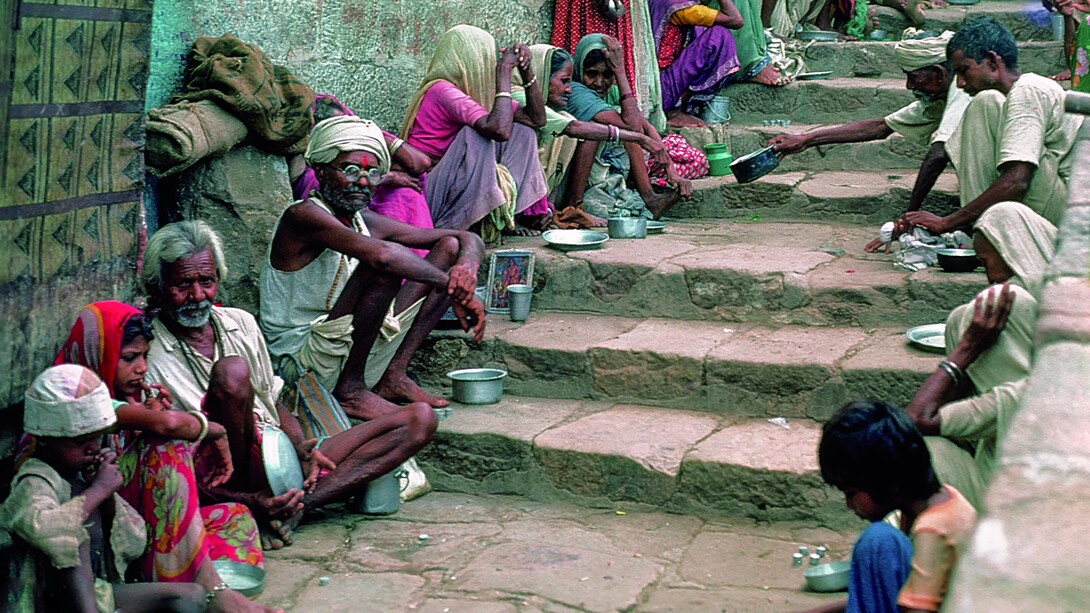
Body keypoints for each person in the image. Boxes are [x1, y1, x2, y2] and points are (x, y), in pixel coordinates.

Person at [140, 220, 437, 549]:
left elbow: (273, 399)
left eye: (206, 281)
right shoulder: (148, 353)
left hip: (276, 454)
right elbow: (169, 460)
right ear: (158, 286)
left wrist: (301, 447)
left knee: (420, 419)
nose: (197, 296)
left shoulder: (240, 323)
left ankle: (298, 507)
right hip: (222, 473)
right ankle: (259, 505)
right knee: (231, 373)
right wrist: (248, 499)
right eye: (182, 284)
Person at [261, 115, 487, 414]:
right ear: (321, 171)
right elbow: (384, 257)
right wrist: (454, 288)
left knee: (450, 249)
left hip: (347, 350)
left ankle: (393, 374)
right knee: (384, 267)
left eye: (373, 172)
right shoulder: (302, 216)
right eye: (350, 170)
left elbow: (463, 238)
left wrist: (467, 269)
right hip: (303, 366)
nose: (364, 182)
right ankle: (350, 392)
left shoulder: (362, 220)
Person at [53, 301, 270, 611]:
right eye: (129, 358)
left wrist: (148, 414)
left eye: (144, 356)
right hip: (102, 541)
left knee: (235, 516)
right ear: (98, 355)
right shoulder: (78, 398)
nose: (141, 367)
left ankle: (200, 582)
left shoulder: (123, 401)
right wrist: (212, 430)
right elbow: (168, 426)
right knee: (167, 445)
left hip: (138, 527)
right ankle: (208, 588)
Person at [0, 365, 260, 613]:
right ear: (45, 439)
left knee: (191, 597)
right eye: (80, 441)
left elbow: (134, 542)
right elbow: (46, 531)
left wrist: (107, 497)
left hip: (99, 592)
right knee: (74, 537)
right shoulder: (36, 478)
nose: (93, 447)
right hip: (51, 600)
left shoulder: (83, 476)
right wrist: (97, 491)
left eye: (97, 436)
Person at [906, 201, 1057, 510]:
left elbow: (917, 420)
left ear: (1015, 253)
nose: (989, 276)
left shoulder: (1015, 400)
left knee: (920, 453)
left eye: (987, 262)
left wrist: (966, 348)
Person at [769, 31, 972, 252]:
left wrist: (907, 218)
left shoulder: (962, 91)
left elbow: (938, 154)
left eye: (912, 77)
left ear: (938, 74)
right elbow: (881, 127)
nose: (909, 86)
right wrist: (806, 140)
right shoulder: (939, 99)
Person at [905, 17, 1084, 235]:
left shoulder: (1028, 90)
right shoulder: (1010, 96)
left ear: (991, 61)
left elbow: (1017, 181)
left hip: (1072, 212)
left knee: (985, 102)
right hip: (1064, 202)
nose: (960, 83)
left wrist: (947, 222)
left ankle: (982, 230)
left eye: (964, 71)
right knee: (987, 103)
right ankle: (982, 228)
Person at [800, 399, 978, 613]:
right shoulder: (938, 500)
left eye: (851, 494)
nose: (848, 505)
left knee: (877, 541)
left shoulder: (934, 529)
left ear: (888, 482)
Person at [399, 25, 549, 242]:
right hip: (427, 192)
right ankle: (463, 225)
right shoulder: (442, 90)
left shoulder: (476, 93)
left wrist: (526, 72)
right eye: (486, 58)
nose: (489, 65)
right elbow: (498, 130)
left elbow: (537, 120)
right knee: (476, 136)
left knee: (524, 132)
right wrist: (504, 74)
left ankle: (503, 216)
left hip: (451, 185)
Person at [513, 44, 673, 226]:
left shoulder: (606, 91)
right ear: (541, 75)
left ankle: (550, 207)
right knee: (583, 130)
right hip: (528, 179)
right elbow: (575, 127)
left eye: (607, 75)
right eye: (564, 81)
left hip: (555, 179)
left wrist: (669, 166)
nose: (569, 89)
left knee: (567, 130)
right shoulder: (522, 97)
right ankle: (568, 206)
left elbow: (642, 124)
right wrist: (639, 138)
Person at [563, 34, 693, 220]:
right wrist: (620, 72)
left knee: (634, 129)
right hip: (571, 169)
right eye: (591, 74)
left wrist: (671, 172)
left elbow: (645, 126)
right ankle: (572, 205)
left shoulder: (611, 91)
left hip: (605, 165)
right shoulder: (575, 91)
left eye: (607, 75)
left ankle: (649, 197)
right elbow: (631, 126)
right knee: (613, 130)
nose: (599, 82)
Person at [292, 95, 433, 236]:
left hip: (372, 222)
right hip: (356, 225)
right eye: (340, 129)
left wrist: (367, 132)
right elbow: (378, 250)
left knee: (405, 192)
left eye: (347, 123)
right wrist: (389, 177)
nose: (363, 181)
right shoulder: (312, 191)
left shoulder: (366, 138)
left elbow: (421, 163)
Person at [648, 0, 744, 126]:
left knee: (701, 30)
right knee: (719, 34)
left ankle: (676, 108)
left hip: (653, 92)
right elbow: (735, 19)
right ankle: (673, 112)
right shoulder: (679, 7)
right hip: (658, 96)